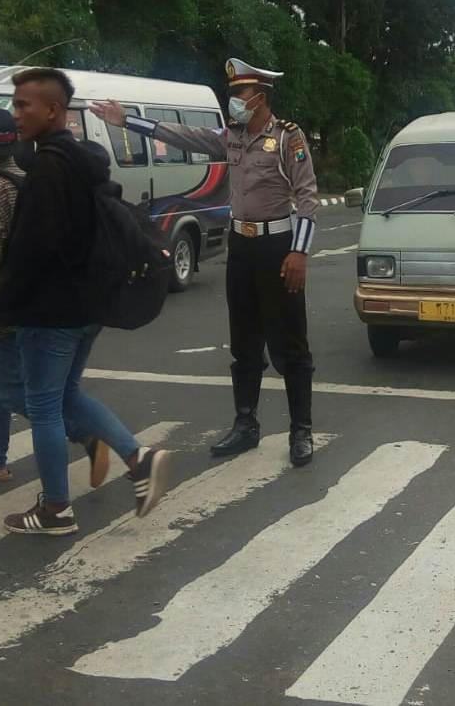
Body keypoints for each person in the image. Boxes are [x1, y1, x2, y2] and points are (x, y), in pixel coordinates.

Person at [90, 58, 319, 466]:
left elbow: (307, 199)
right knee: (244, 339)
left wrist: (299, 252)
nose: (234, 102)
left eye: (240, 95)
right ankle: (245, 423)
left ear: (260, 97)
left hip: (278, 247)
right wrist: (127, 121)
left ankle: (301, 430)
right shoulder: (230, 136)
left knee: (290, 344)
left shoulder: (288, 138)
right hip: (242, 248)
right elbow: (184, 136)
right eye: (232, 95)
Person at [0, 67, 171, 536]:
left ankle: (55, 510)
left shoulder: (49, 169)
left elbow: (32, 247)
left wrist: (4, 306)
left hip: (49, 310)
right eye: (14, 104)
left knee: (45, 407)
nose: (16, 114)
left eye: (23, 105)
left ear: (53, 110)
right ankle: (138, 458)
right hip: (85, 307)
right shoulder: (81, 162)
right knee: (66, 395)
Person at [0, 108, 109, 485]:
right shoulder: (30, 177)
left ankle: (85, 437)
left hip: (12, 306)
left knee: (18, 393)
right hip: (46, 300)